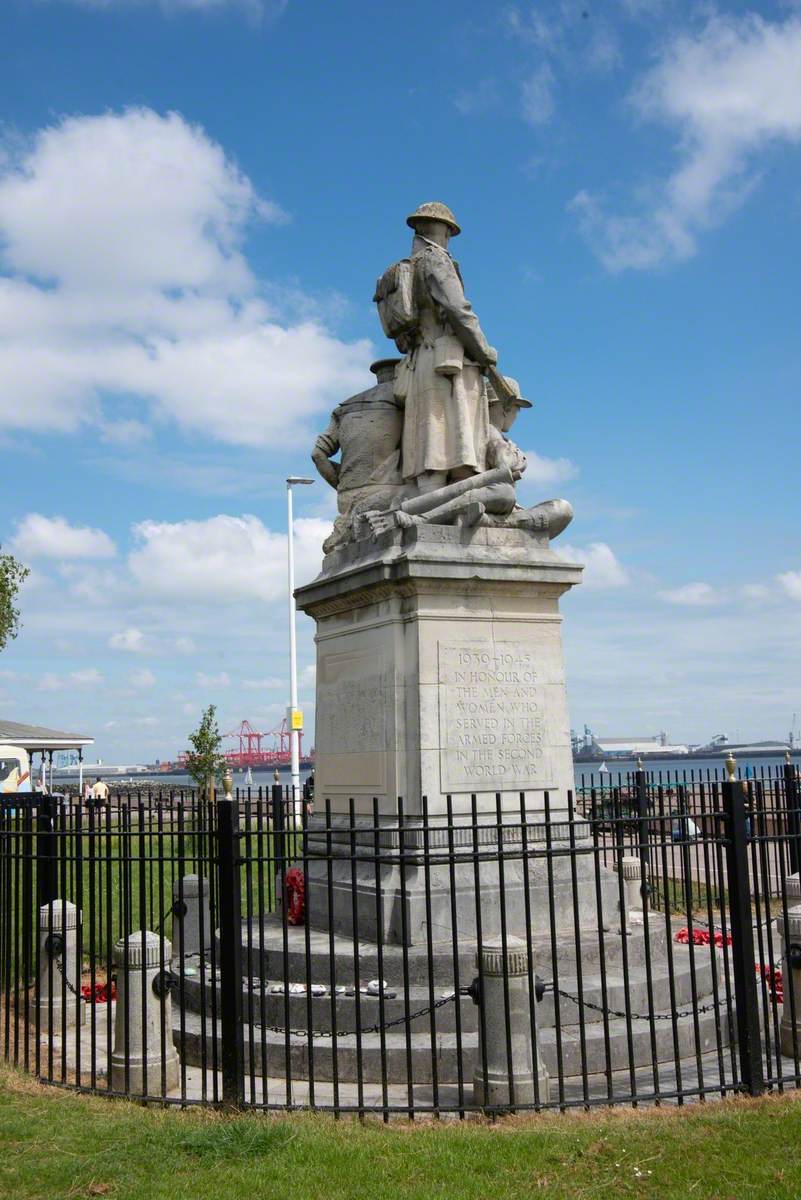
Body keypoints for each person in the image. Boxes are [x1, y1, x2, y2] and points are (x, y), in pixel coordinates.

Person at [381, 202, 497, 493]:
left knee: (429, 448)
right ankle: (453, 516)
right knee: (455, 447)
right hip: (447, 363)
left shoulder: (405, 268)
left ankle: (432, 513)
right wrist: (484, 350)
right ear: (444, 230)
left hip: (419, 362)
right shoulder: (436, 259)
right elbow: (458, 309)